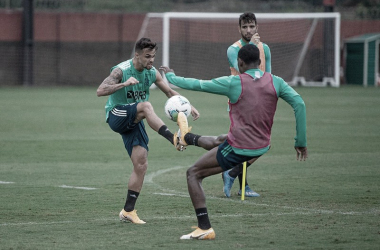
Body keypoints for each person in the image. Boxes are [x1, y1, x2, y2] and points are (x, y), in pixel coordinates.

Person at [159, 44, 307, 240]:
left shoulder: (234, 82)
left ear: (240, 63)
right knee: (222, 139)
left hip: (240, 148)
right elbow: (299, 104)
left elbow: (199, 84)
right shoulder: (276, 82)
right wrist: (300, 141)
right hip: (262, 145)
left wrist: (171, 77)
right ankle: (189, 138)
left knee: (193, 174)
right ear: (260, 62)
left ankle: (204, 228)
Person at [96, 37, 199, 225]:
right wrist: (124, 84)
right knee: (146, 106)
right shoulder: (122, 70)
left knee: (141, 163)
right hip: (116, 114)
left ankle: (128, 211)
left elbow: (169, 92)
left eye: (153, 56)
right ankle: (174, 138)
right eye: (147, 56)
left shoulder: (152, 73)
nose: (151, 60)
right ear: (137, 55)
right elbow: (100, 90)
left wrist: (188, 105)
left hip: (134, 119)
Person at [223, 12, 272, 198]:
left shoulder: (265, 48)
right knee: (246, 144)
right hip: (240, 101)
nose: (248, 30)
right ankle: (241, 184)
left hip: (261, 101)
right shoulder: (233, 49)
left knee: (263, 144)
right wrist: (252, 46)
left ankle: (232, 173)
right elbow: (242, 67)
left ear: (257, 27)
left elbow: (269, 75)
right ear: (239, 29)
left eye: (252, 26)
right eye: (245, 27)